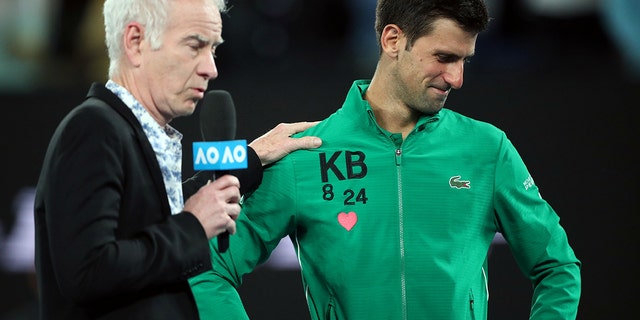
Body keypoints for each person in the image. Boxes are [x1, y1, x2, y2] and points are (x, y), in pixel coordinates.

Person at [189, 0, 582, 319]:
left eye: (465, 60)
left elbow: (557, 266)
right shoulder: (306, 153)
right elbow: (209, 270)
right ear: (393, 40)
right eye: (444, 57)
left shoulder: (487, 148)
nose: (457, 78)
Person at [34, 0, 321, 319]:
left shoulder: (124, 130)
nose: (211, 68)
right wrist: (194, 226)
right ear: (135, 42)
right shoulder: (95, 128)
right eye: (194, 46)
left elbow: (146, 227)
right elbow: (88, 271)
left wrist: (249, 159)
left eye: (213, 49)